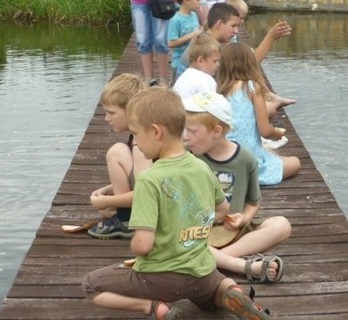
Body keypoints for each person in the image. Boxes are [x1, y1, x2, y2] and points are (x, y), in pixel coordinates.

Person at [82, 87, 273, 320]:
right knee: (213, 291)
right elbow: (223, 210)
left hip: (159, 278)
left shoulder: (149, 180)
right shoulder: (201, 167)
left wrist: (135, 244)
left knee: (91, 285)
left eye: (137, 136)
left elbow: (142, 246)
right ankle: (231, 291)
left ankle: (156, 309)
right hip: (201, 273)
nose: (137, 145)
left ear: (155, 132)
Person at [182, 91, 290, 282]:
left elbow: (253, 201)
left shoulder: (245, 159)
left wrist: (244, 218)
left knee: (282, 225)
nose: (185, 137)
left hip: (234, 233)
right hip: (198, 234)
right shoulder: (188, 157)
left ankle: (215, 260)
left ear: (216, 131)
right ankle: (242, 265)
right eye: (184, 130)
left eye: (192, 131)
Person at [217, 42, 301, 186]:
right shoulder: (251, 86)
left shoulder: (218, 89)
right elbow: (265, 131)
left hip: (222, 160)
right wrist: (278, 133)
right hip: (247, 160)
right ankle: (250, 179)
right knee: (295, 163)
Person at [87, 73, 151, 239]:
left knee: (117, 151)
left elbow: (144, 193)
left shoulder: (141, 145)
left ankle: (126, 220)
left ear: (131, 111)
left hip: (153, 203)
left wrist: (108, 201)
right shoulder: (142, 132)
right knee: (104, 208)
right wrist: (108, 190)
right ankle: (127, 215)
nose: (106, 118)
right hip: (154, 200)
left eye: (111, 113)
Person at [176, 2, 241, 76]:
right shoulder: (206, 48)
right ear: (219, 24)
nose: (236, 31)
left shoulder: (205, 40)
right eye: (233, 26)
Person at [167, 0, 203, 82]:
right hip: (178, 63)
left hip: (193, 61)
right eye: (197, 0)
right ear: (187, 1)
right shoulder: (175, 20)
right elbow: (171, 43)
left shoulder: (194, 15)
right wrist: (192, 35)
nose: (199, 3)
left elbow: (196, 31)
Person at [172, 33, 220, 99]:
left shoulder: (184, 77)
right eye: (215, 61)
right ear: (200, 61)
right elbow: (212, 106)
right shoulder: (206, 80)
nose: (218, 65)